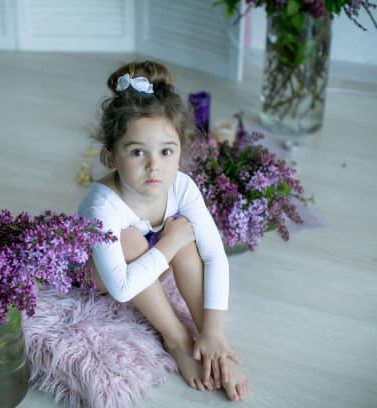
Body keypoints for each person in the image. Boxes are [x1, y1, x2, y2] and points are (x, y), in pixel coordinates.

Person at [76, 60, 250, 402]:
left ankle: (214, 346)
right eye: (137, 151)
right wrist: (169, 244)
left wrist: (213, 330)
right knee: (139, 237)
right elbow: (123, 289)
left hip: (151, 262)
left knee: (186, 240)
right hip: (99, 276)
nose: (155, 165)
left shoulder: (182, 187)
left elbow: (215, 255)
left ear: (180, 151)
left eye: (166, 151)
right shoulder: (102, 205)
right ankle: (178, 340)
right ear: (111, 158)